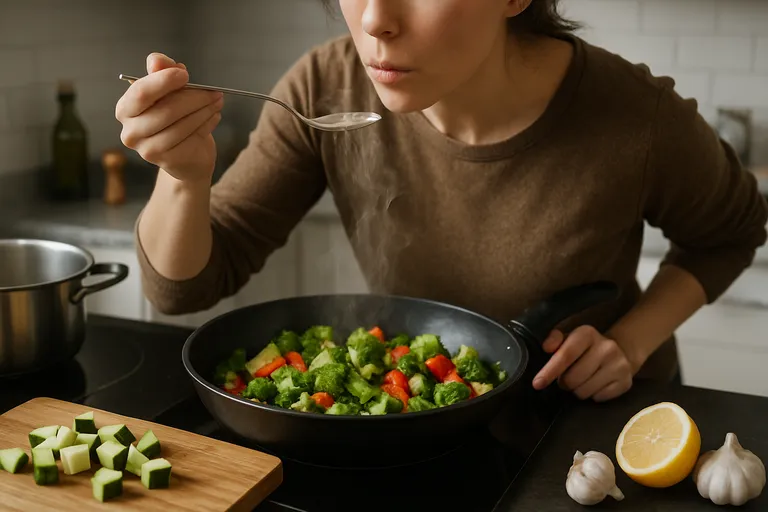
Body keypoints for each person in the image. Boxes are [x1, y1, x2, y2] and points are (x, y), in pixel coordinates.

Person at [115, 0, 768, 403]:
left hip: (590, 424)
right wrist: (183, 175)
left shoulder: (637, 116)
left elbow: (733, 231)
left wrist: (629, 343)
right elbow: (183, 288)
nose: (376, 20)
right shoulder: (324, 87)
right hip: (422, 433)